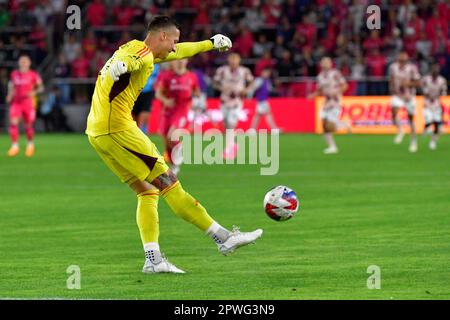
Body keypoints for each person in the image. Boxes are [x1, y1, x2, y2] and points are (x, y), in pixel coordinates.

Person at [85, 16, 263, 274]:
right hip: (118, 130)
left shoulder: (134, 47)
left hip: (97, 132)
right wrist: (121, 67)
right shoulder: (141, 56)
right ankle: (223, 238)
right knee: (169, 183)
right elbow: (131, 63)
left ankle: (153, 259)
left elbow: (177, 52)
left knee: (147, 192)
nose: (174, 47)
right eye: (173, 41)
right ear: (162, 37)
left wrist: (210, 44)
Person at [155, 59, 198, 174]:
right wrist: (165, 100)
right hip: (168, 111)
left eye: (183, 60)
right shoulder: (167, 76)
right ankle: (174, 165)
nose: (180, 62)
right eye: (177, 60)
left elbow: (197, 92)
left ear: (186, 62)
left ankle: (180, 150)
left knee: (171, 136)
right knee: (165, 139)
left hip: (182, 111)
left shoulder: (191, 76)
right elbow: (158, 93)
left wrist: (195, 100)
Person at [213, 53, 254, 159]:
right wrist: (222, 88)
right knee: (226, 125)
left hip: (237, 101)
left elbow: (251, 82)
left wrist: (246, 90)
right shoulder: (222, 70)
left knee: (231, 124)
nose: (233, 62)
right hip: (224, 100)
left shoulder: (244, 71)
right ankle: (233, 145)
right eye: (232, 60)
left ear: (239, 61)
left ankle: (228, 149)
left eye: (235, 60)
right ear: (228, 61)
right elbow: (215, 83)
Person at [308, 57, 349, 154]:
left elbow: (345, 85)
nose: (325, 64)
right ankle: (332, 146)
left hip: (335, 100)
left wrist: (337, 92)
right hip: (326, 101)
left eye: (327, 62)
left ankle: (344, 125)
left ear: (331, 64)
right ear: (321, 64)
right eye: (323, 62)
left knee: (329, 125)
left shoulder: (336, 74)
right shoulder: (320, 76)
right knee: (324, 125)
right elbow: (320, 90)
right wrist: (313, 95)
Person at [6, 54, 44, 157]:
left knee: (28, 126)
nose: (23, 63)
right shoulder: (14, 74)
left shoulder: (33, 75)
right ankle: (14, 146)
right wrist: (9, 95)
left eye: (25, 61)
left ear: (29, 63)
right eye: (21, 61)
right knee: (13, 123)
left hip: (28, 103)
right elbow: (11, 86)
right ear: (19, 63)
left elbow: (41, 88)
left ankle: (30, 145)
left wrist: (33, 93)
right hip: (16, 102)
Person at [388, 51, 421, 152]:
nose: (402, 63)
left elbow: (418, 82)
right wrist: (392, 87)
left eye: (404, 61)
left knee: (411, 119)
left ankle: (413, 142)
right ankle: (400, 130)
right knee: (394, 112)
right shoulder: (393, 67)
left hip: (409, 96)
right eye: (400, 61)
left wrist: (408, 83)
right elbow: (392, 78)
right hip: (398, 95)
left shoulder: (412, 68)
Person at [421, 63, 447, 150]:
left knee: (436, 123)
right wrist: (427, 95)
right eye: (434, 70)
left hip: (436, 103)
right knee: (429, 121)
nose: (435, 72)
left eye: (437, 70)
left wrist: (439, 95)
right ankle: (426, 128)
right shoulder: (426, 79)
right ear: (431, 71)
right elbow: (423, 89)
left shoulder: (442, 80)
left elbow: (443, 91)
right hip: (427, 103)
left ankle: (433, 141)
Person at [132, 63, 159, 133]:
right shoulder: (137, 61)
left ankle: (143, 131)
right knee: (135, 115)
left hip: (148, 91)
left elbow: (157, 78)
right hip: (136, 91)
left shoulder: (155, 65)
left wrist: (155, 84)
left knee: (145, 112)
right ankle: (136, 132)